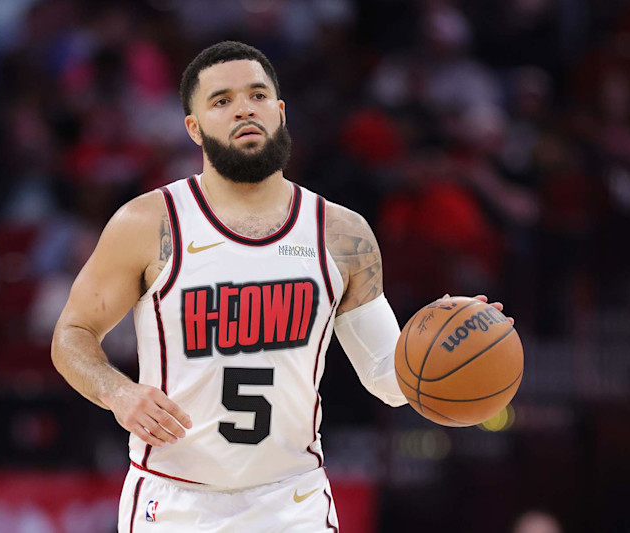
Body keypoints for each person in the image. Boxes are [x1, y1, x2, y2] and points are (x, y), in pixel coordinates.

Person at [51, 41, 512, 532]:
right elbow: (71, 335)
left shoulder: (342, 234)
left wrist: (439, 344)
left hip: (292, 503)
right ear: (194, 128)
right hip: (175, 501)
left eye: (257, 95)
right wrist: (117, 393)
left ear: (280, 111)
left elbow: (386, 376)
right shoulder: (148, 223)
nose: (244, 108)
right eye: (221, 101)